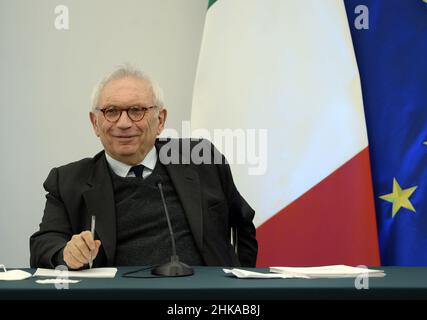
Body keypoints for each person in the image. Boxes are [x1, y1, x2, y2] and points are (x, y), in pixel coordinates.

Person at [30, 65, 257, 269]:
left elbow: (243, 226)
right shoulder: (68, 180)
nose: (124, 123)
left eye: (137, 110)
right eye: (111, 111)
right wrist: (66, 254)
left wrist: (238, 285)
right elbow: (43, 245)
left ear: (160, 121)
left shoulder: (200, 159)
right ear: (95, 123)